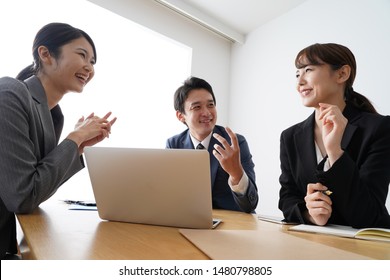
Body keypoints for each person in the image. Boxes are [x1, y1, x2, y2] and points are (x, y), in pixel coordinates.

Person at [0, 22, 116, 259]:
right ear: (45, 54)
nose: (89, 67)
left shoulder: (55, 116)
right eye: (82, 55)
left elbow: (38, 190)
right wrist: (74, 139)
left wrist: (78, 148)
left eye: (93, 62)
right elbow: (23, 197)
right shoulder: (10, 92)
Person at [279, 43, 390, 229]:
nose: (299, 83)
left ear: (342, 74)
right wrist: (310, 214)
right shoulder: (290, 137)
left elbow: (369, 215)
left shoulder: (379, 128)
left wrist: (335, 153)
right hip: (311, 246)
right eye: (297, 74)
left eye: (308, 70)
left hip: (365, 248)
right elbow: (287, 197)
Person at [166, 77, 258, 213]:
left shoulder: (235, 143)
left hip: (232, 226)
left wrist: (236, 173)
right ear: (181, 116)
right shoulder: (173, 144)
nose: (207, 113)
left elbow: (250, 204)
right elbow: (171, 195)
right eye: (197, 107)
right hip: (190, 222)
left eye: (210, 105)